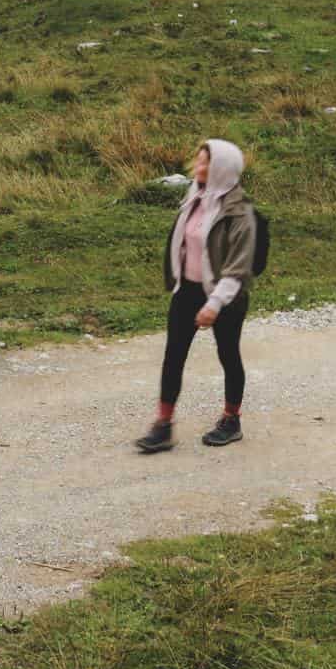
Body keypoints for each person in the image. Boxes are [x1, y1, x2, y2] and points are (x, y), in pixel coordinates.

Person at [135, 139, 257, 454]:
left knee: (228, 354)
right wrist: (178, 282)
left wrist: (214, 304)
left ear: (223, 169)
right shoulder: (195, 197)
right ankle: (163, 426)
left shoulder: (240, 212)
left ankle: (231, 420)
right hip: (187, 290)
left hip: (226, 295)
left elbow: (238, 269)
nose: (197, 167)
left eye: (206, 163)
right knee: (173, 355)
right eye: (198, 161)